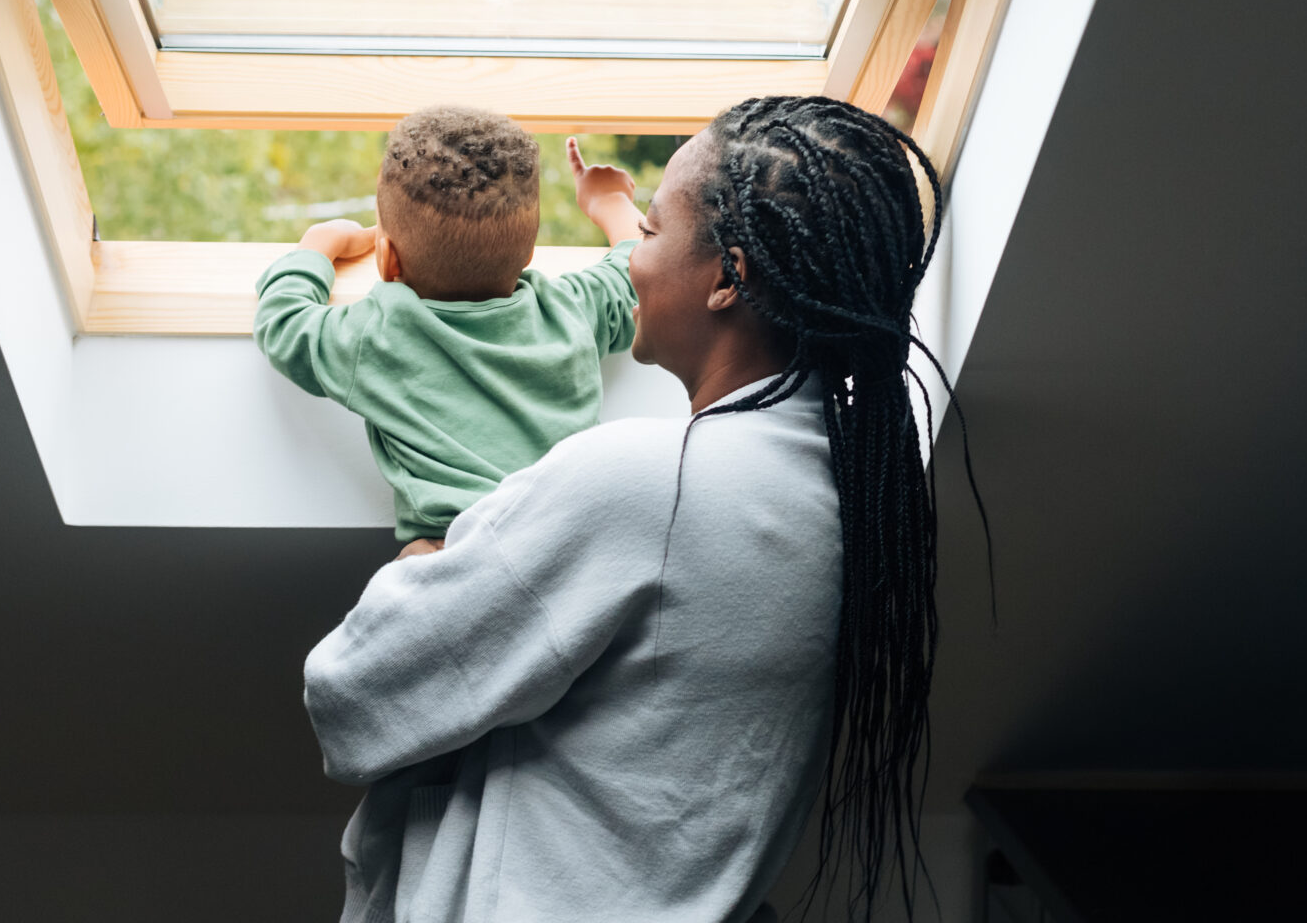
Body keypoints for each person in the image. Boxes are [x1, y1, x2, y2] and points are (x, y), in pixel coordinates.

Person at [305, 95, 973, 921]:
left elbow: (355, 695)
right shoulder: (854, 493)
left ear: (729, 276)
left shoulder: (645, 487)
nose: (630, 260)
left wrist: (424, 560)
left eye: (648, 233)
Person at [255, 105, 645, 544]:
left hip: (454, 549)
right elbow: (633, 269)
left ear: (386, 259)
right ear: (529, 253)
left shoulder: (379, 334)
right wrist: (610, 201)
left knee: (413, 571)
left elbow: (282, 322)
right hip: (564, 544)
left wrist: (318, 246)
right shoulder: (570, 309)